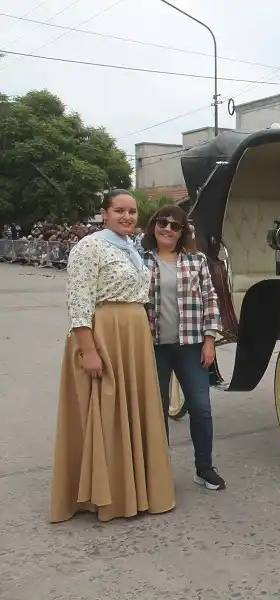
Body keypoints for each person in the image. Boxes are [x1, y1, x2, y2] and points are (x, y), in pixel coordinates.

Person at [49, 190, 175, 523]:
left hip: (134, 335)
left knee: (132, 410)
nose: (127, 217)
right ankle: (108, 496)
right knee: (106, 412)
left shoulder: (131, 248)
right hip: (105, 334)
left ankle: (137, 490)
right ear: (104, 213)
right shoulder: (89, 246)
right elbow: (79, 301)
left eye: (132, 212)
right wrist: (88, 349)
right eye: (119, 210)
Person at [143, 205, 226, 490]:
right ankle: (159, 472)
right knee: (157, 410)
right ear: (153, 225)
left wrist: (210, 340)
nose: (168, 229)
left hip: (191, 345)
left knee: (201, 408)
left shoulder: (196, 260)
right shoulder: (140, 259)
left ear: (182, 232)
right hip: (154, 347)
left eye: (175, 226)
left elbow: (210, 298)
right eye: (162, 223)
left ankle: (204, 468)